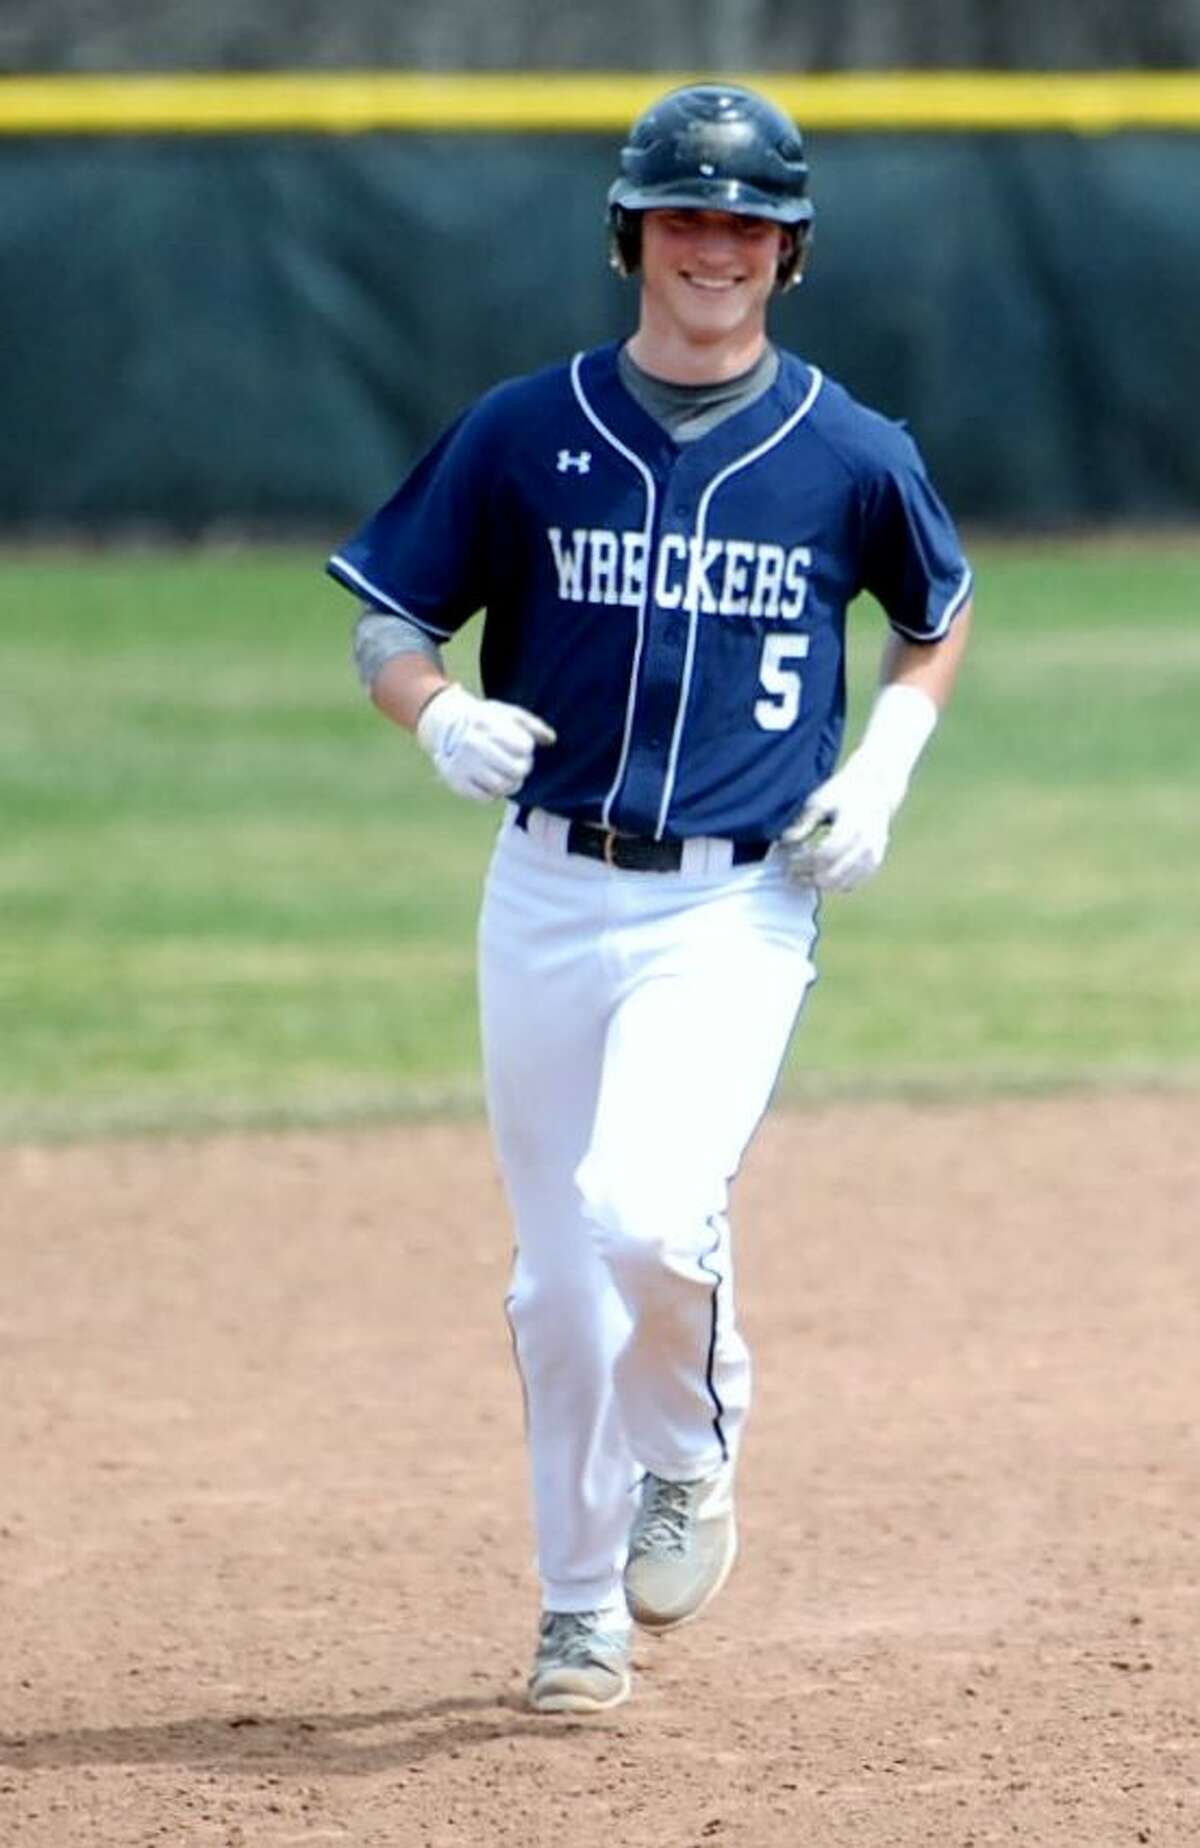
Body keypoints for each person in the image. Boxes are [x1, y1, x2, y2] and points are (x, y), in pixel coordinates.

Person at [326, 81, 973, 1716]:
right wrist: (438, 713)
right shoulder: (522, 428)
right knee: (553, 1283)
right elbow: (387, 623)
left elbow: (937, 612)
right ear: (634, 234)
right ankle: (574, 1610)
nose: (716, 248)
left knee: (641, 1213)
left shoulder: (847, 450)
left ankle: (692, 1440)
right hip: (545, 894)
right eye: (686, 215)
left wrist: (885, 758)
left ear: (790, 252)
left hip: (732, 908)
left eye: (748, 224)